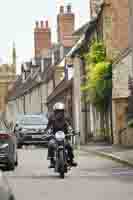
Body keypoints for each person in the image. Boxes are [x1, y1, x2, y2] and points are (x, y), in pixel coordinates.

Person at [46, 102, 77, 168]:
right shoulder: (52, 118)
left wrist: (72, 131)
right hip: (54, 137)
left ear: (63, 111)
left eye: (61, 111)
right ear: (55, 111)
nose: (59, 113)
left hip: (64, 137)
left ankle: (71, 160)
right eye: (57, 111)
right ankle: (51, 161)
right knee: (50, 144)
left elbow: (69, 126)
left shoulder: (66, 118)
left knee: (70, 145)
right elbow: (49, 127)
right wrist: (47, 132)